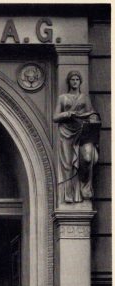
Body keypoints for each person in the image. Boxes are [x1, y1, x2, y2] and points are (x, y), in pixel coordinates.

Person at [53, 70, 99, 203]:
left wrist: (93, 117)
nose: (75, 82)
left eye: (77, 79)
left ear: (80, 82)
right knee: (67, 165)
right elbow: (55, 117)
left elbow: (92, 114)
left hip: (82, 132)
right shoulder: (63, 98)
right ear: (69, 81)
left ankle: (84, 188)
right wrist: (66, 114)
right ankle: (69, 194)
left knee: (87, 157)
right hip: (66, 133)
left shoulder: (84, 98)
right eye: (72, 79)